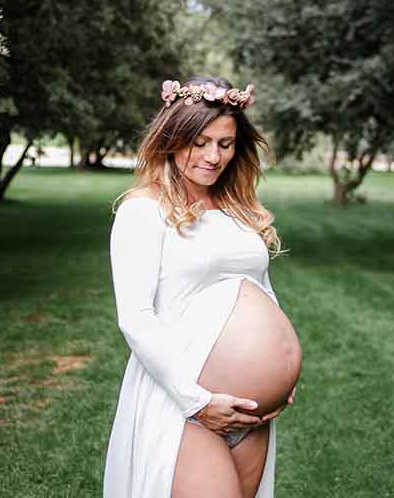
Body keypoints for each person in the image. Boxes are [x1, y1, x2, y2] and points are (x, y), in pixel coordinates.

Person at [103, 76, 301, 498]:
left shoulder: (237, 209)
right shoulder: (143, 211)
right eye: (200, 141)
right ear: (173, 138)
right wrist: (196, 401)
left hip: (251, 414)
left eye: (225, 144)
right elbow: (135, 320)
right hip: (186, 405)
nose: (213, 156)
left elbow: (261, 290)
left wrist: (282, 374)